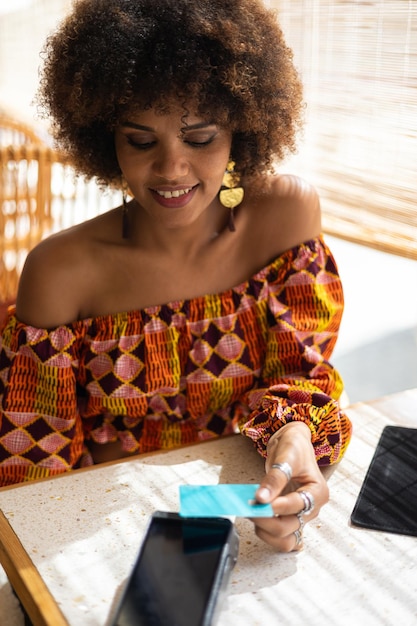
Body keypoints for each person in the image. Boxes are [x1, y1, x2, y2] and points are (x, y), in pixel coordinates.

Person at [0, 0, 352, 552]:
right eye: (141, 141)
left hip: (242, 506)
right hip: (106, 537)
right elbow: (33, 480)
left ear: (241, 126)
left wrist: (293, 446)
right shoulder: (59, 272)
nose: (170, 169)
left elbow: (299, 377)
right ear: (105, 139)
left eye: (200, 137)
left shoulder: (284, 219)